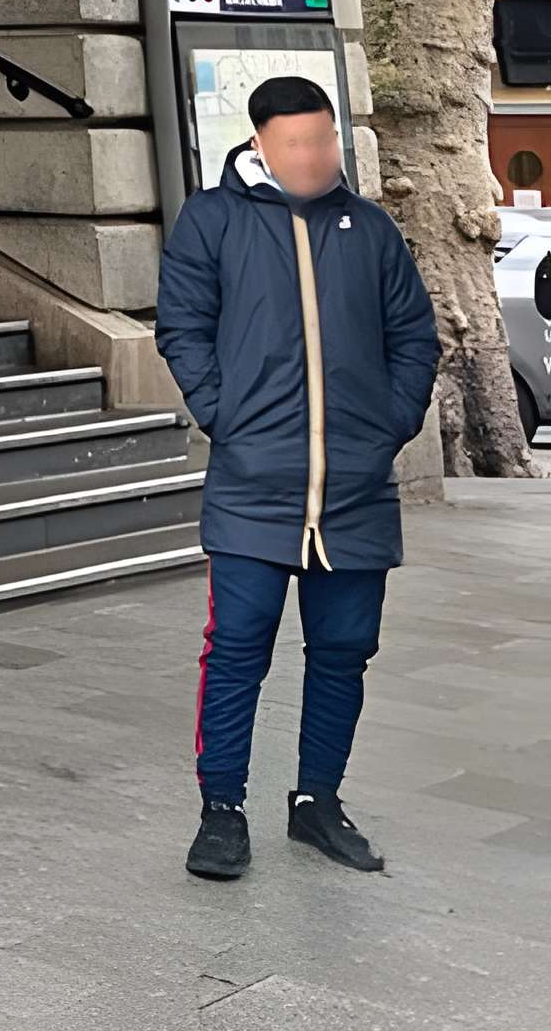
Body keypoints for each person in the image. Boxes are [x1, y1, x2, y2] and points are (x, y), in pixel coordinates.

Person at [154, 74, 438, 883]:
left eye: (323, 140)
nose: (314, 156)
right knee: (237, 650)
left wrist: (388, 426)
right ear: (259, 145)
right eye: (296, 143)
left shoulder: (369, 229)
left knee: (344, 650)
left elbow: (414, 336)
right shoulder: (212, 221)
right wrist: (225, 416)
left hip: (355, 489)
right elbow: (182, 327)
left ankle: (317, 801)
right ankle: (221, 810)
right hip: (254, 484)